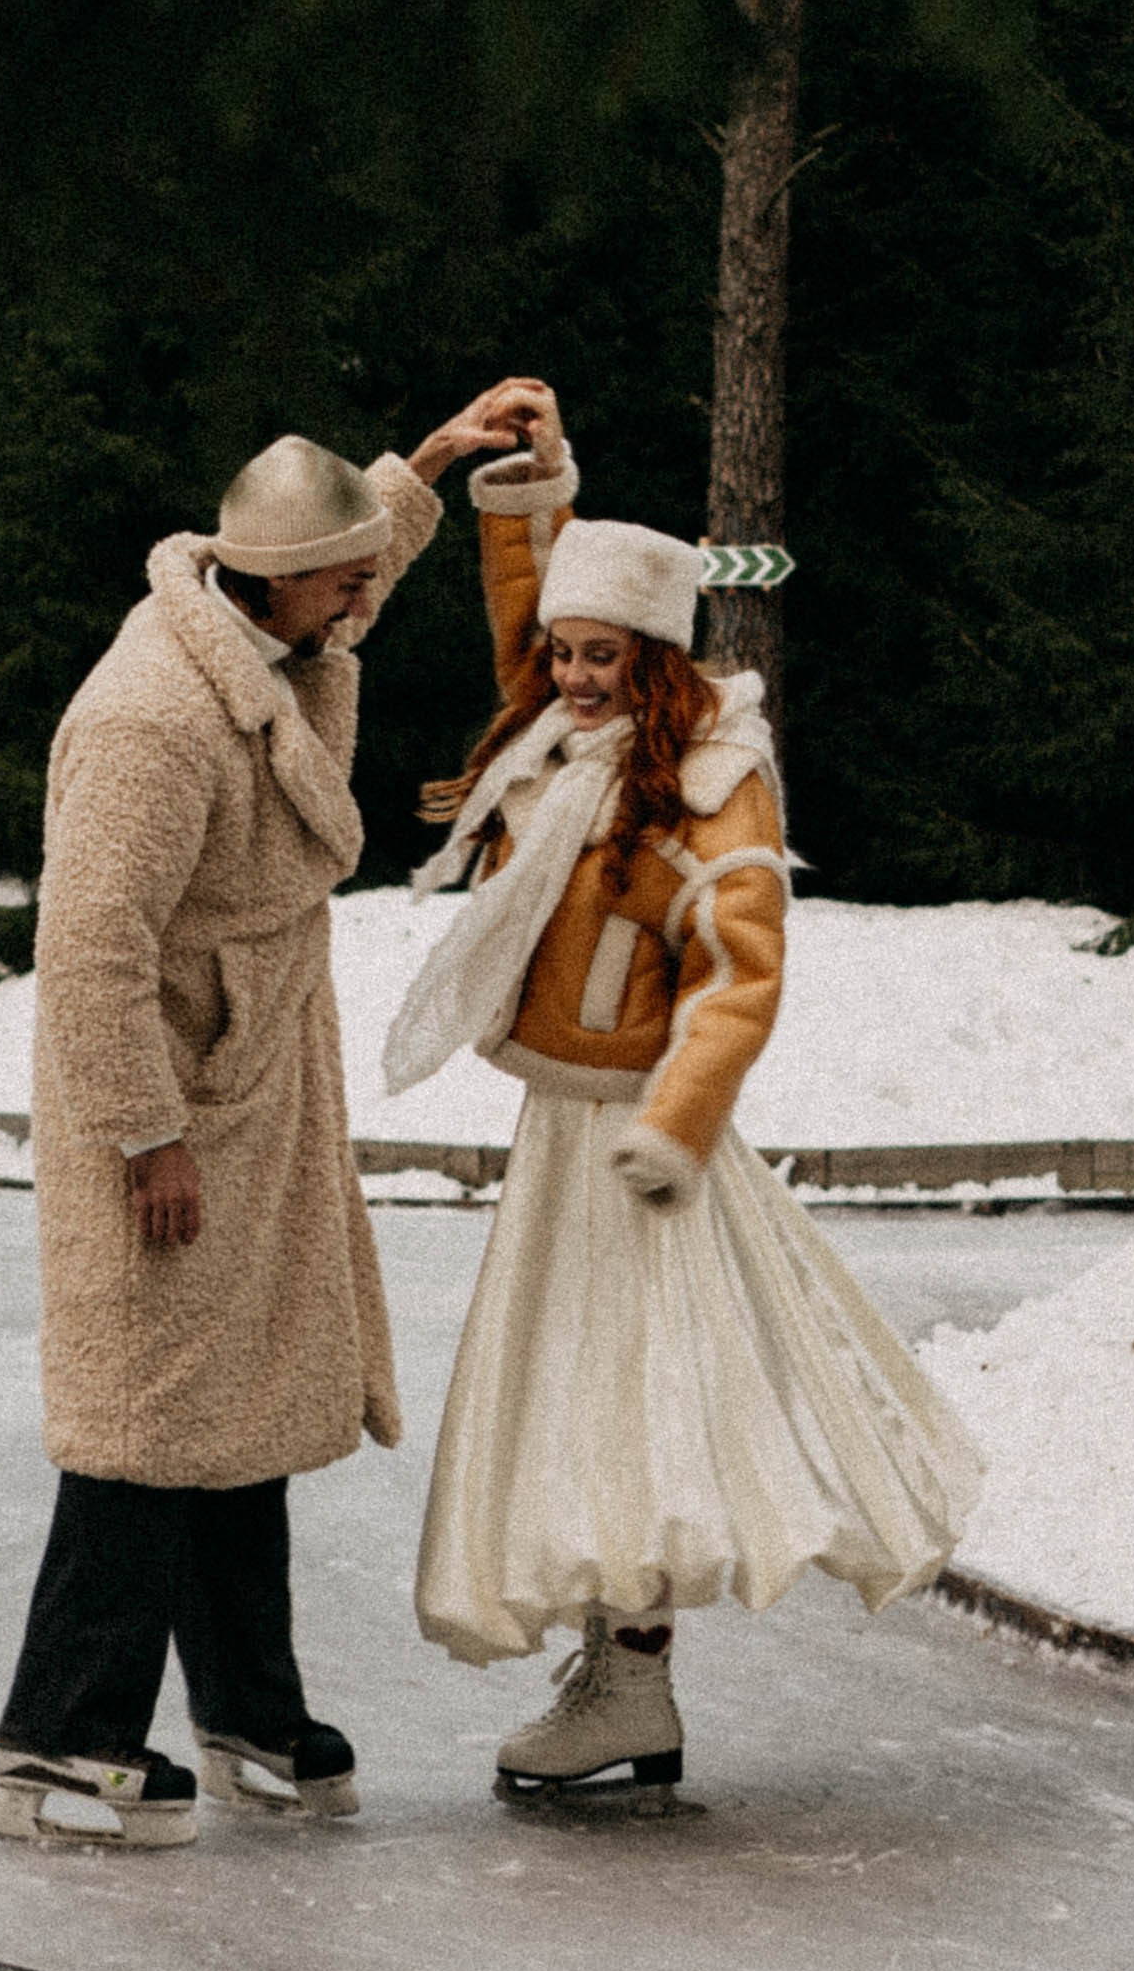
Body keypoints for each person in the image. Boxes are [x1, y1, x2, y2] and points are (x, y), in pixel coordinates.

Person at [383, 386, 982, 1808]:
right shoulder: (556, 732)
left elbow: (740, 967)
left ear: (654, 660)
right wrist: (532, 470)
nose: (575, 674)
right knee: (581, 1400)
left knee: (638, 1404)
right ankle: (619, 1670)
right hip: (566, 1128)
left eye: (602, 656)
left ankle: (632, 1673)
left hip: (645, 1142)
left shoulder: (714, 776)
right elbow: (530, 587)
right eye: (564, 652)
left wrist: (675, 1124)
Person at [0, 384, 543, 1850]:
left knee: (239, 1396)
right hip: (166, 1097)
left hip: (250, 1078)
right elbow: (91, 947)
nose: (364, 598)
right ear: (276, 578)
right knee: (147, 1407)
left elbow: (361, 561)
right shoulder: (153, 718)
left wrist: (424, 464)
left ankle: (246, 1707)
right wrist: (143, 1132)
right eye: (344, 575)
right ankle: (61, 1735)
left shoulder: (274, 625)